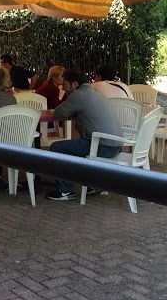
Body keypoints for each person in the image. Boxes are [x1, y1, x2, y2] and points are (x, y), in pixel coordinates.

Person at [45, 68, 124, 201]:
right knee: (77, 142)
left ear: (74, 84)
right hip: (116, 144)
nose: (63, 89)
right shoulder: (95, 92)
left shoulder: (79, 95)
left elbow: (58, 113)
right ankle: (94, 184)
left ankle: (65, 191)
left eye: (65, 85)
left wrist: (68, 97)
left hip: (103, 146)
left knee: (57, 148)